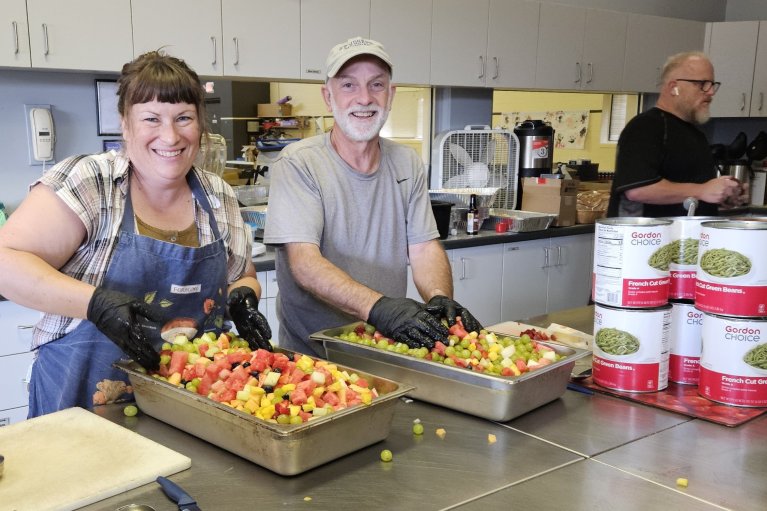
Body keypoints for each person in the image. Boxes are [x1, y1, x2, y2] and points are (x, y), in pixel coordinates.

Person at [0, 51, 272, 417]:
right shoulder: (92, 182)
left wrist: (243, 295)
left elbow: (242, 274)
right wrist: (94, 303)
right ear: (125, 125)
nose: (170, 135)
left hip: (188, 407)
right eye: (151, 118)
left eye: (183, 118)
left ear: (201, 124)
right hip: (81, 404)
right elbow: (6, 263)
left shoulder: (217, 195)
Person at [263, 36, 481, 356]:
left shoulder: (407, 162)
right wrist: (378, 308)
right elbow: (305, 264)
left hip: (388, 351)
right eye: (349, 85)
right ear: (328, 96)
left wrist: (439, 298)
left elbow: (423, 247)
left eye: (376, 85)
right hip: (313, 358)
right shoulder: (299, 163)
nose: (364, 98)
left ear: (390, 95)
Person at [607, 51, 745, 218]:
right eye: (702, 84)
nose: (710, 92)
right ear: (674, 88)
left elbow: (693, 192)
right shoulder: (645, 126)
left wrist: (724, 194)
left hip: (685, 240)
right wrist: (702, 191)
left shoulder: (695, 134)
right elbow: (637, 190)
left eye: (712, 84)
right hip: (647, 241)